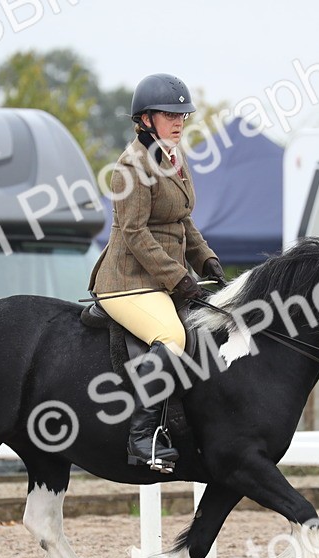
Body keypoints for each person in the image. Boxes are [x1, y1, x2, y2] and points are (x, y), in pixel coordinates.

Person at [88, 73, 225, 473]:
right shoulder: (131, 166)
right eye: (170, 115)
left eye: (183, 114)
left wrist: (207, 262)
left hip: (160, 280)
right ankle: (142, 436)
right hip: (127, 283)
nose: (179, 121)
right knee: (171, 336)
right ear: (145, 119)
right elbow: (134, 232)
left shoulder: (174, 160)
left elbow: (183, 221)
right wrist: (177, 278)